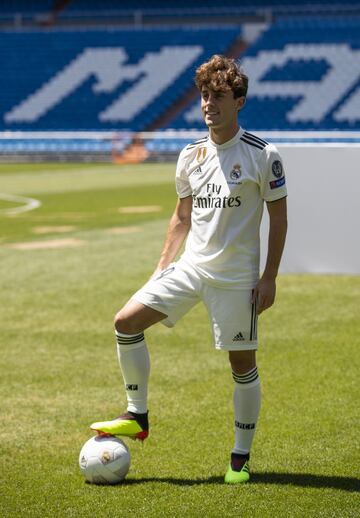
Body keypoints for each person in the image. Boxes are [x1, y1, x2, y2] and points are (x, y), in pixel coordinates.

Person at [90, 54, 288, 484]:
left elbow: (280, 218)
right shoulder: (190, 155)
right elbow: (181, 218)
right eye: (203, 96)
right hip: (190, 267)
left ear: (239, 101)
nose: (208, 104)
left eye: (218, 96)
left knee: (241, 365)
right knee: (126, 321)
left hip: (237, 278)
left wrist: (269, 276)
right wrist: (161, 268)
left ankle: (240, 455)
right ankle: (137, 414)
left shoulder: (263, 155)